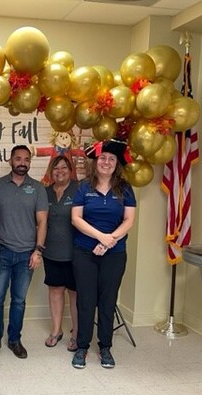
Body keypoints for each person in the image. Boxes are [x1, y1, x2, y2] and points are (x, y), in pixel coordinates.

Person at [70, 139, 136, 370]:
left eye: (111, 159)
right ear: (96, 161)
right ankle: (82, 347)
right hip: (85, 252)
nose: (106, 162)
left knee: (107, 302)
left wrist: (109, 241)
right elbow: (76, 218)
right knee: (86, 301)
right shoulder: (83, 187)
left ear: (116, 163)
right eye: (103, 158)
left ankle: (105, 347)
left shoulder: (125, 188)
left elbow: (129, 220)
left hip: (115, 252)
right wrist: (101, 237)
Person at [0, 145, 48, 359]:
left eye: (26, 159)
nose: (22, 162)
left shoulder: (37, 188)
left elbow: (42, 221)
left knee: (19, 300)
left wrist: (38, 251)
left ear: (30, 162)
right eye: (18, 158)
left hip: (26, 254)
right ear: (10, 160)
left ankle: (14, 340)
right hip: (1, 251)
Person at [43, 156, 78, 351]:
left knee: (75, 294)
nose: (60, 171)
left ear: (70, 170)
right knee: (55, 291)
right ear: (51, 171)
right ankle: (56, 331)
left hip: (76, 253)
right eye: (56, 168)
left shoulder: (80, 189)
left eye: (64, 168)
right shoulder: (45, 192)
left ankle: (77, 333)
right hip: (52, 252)